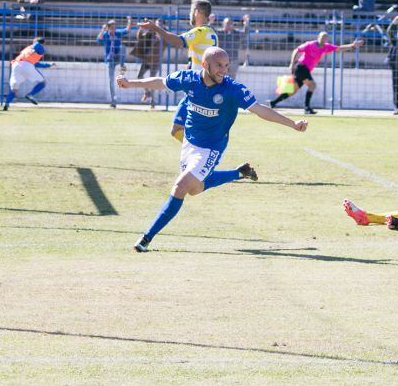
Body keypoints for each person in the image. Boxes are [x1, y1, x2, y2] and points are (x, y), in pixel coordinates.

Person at [116, 47, 308, 252]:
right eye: (218, 65)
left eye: (226, 65)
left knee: (180, 187)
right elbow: (161, 82)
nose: (223, 70)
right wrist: (130, 84)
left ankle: (146, 239)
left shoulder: (232, 89)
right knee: (195, 189)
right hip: (190, 143)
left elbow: (260, 110)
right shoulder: (188, 79)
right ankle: (239, 173)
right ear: (205, 65)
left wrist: (292, 124)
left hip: (211, 148)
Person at [137, 0, 217, 141]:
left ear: (197, 13)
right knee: (178, 129)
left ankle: (201, 153)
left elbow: (178, 41)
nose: (190, 14)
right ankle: (200, 153)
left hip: (200, 88)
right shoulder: (211, 33)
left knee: (181, 130)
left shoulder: (200, 31)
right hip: (199, 86)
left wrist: (156, 28)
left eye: (192, 11)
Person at [269, 32, 362, 114]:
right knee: (312, 85)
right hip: (301, 67)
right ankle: (307, 108)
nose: (323, 39)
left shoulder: (326, 46)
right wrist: (292, 64)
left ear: (326, 39)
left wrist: (352, 46)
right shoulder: (310, 44)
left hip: (305, 70)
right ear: (318, 37)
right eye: (322, 37)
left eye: (325, 38)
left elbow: (338, 48)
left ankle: (273, 103)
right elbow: (297, 50)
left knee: (293, 91)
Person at [2, 37, 54, 110]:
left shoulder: (26, 49)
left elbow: (35, 63)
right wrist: (35, 47)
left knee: (14, 89)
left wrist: (48, 65)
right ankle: (30, 95)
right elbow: (36, 45)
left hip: (16, 65)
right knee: (43, 82)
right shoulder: (38, 46)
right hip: (26, 65)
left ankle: (6, 104)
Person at [97, 17, 132, 108]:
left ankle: (122, 66)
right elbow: (98, 39)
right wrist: (102, 29)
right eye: (112, 27)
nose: (113, 29)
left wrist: (129, 21)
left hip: (118, 57)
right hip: (110, 59)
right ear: (108, 28)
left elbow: (127, 30)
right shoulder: (105, 34)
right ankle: (113, 100)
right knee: (111, 81)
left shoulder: (117, 33)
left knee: (122, 47)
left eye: (114, 27)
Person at [127, 26, 162, 108]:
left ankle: (152, 102)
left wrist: (159, 33)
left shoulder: (162, 34)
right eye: (155, 24)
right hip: (146, 60)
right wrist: (141, 28)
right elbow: (139, 37)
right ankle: (148, 92)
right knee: (139, 76)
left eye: (158, 25)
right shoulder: (150, 33)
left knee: (152, 80)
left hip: (155, 61)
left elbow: (163, 40)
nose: (156, 26)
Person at [216, 15, 249, 79]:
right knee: (220, 79)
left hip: (233, 60)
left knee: (232, 80)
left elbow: (245, 33)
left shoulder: (236, 33)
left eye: (230, 23)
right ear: (223, 24)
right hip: (221, 61)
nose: (228, 25)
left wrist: (246, 23)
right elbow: (211, 31)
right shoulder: (219, 33)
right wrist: (210, 22)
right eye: (226, 23)